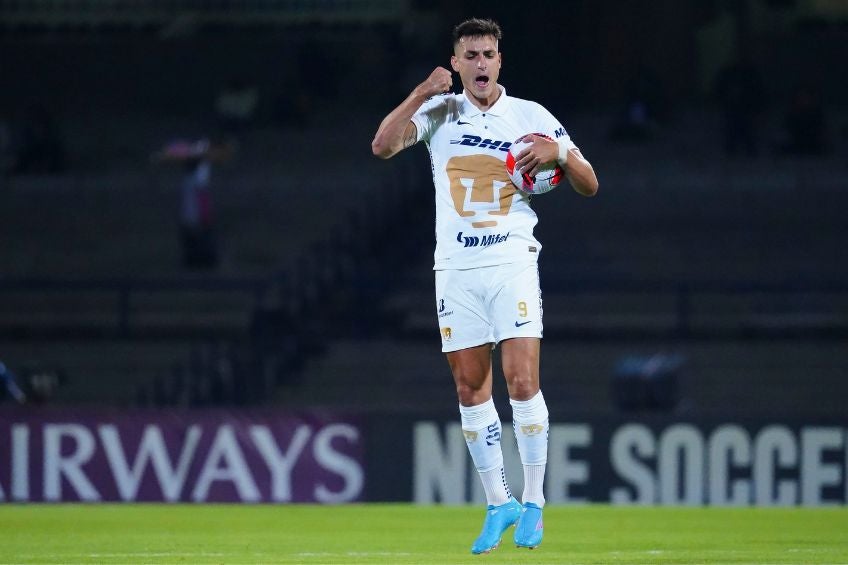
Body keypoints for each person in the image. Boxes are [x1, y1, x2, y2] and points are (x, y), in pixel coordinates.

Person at [371, 18, 598, 554]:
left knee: (521, 380)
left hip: (511, 262)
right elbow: (382, 146)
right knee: (470, 388)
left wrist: (560, 154)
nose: (479, 63)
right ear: (455, 63)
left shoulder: (530, 116)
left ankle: (534, 501)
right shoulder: (440, 112)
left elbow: (590, 183)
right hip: (455, 269)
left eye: (488, 54)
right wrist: (422, 92)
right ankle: (499, 503)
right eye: (470, 55)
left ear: (500, 61)